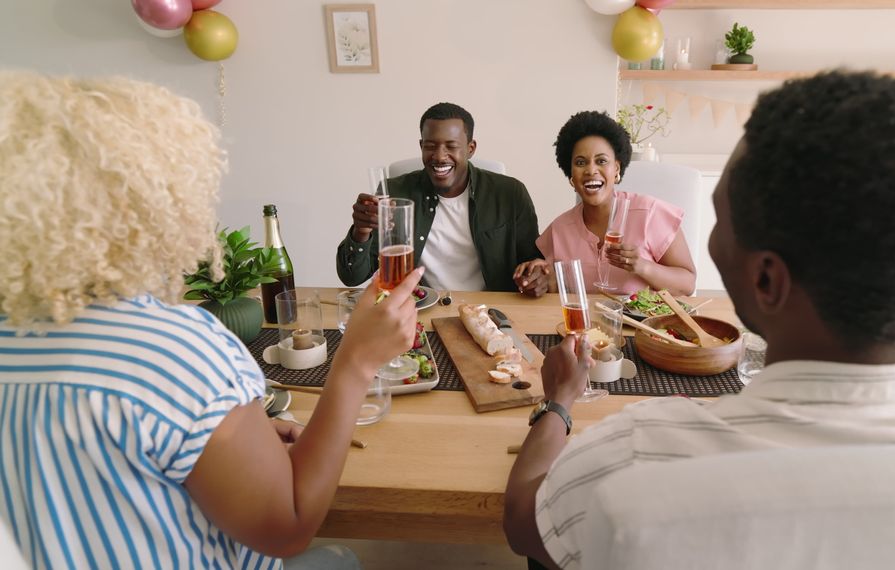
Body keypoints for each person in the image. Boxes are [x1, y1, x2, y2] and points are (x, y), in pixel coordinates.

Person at [502, 71, 895, 569]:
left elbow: (526, 522)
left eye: (722, 221)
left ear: (766, 280)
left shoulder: (641, 454)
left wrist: (558, 404)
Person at [0, 71, 423, 569]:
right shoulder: (177, 350)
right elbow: (287, 528)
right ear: (158, 202)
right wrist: (354, 362)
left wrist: (232, 441)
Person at [336, 102, 542, 292]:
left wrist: (537, 276)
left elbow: (532, 263)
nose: (439, 156)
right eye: (430, 146)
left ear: (470, 149)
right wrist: (361, 232)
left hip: (491, 311)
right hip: (419, 309)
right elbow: (352, 277)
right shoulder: (394, 194)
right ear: (421, 146)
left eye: (451, 146)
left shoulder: (510, 194)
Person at [513, 110, 696, 297]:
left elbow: (688, 284)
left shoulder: (650, 213)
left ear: (616, 169)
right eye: (580, 163)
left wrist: (642, 266)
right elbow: (552, 284)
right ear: (571, 176)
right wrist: (537, 278)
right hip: (584, 317)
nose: (591, 170)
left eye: (601, 161)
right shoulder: (559, 229)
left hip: (642, 316)